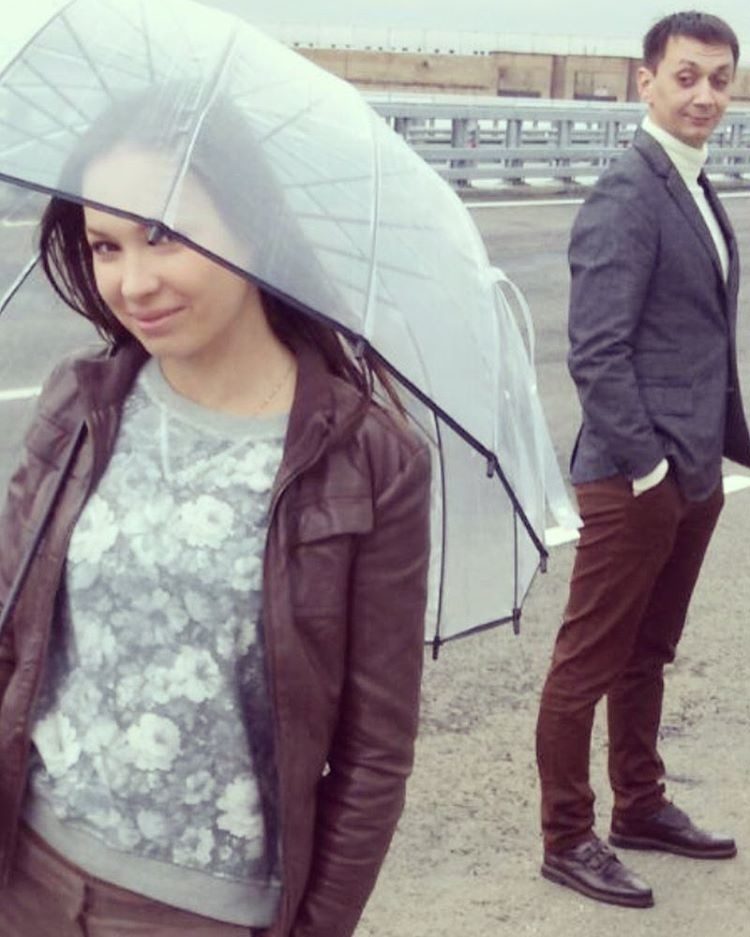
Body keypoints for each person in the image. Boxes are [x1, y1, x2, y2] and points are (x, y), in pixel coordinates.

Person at [0, 87, 431, 937]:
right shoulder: (79, 402)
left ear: (251, 226)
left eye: (163, 233)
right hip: (28, 875)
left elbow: (374, 754)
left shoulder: (368, 458)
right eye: (106, 245)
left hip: (205, 914)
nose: (134, 282)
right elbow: (11, 630)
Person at [535, 10, 750, 909]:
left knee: (647, 651)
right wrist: (652, 472)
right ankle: (566, 836)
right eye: (687, 76)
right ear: (647, 81)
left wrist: (727, 451)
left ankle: (641, 804)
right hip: (636, 477)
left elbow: (699, 342)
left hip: (692, 470)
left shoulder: (692, 184)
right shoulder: (628, 192)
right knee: (588, 660)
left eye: (720, 80)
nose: (705, 96)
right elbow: (596, 350)